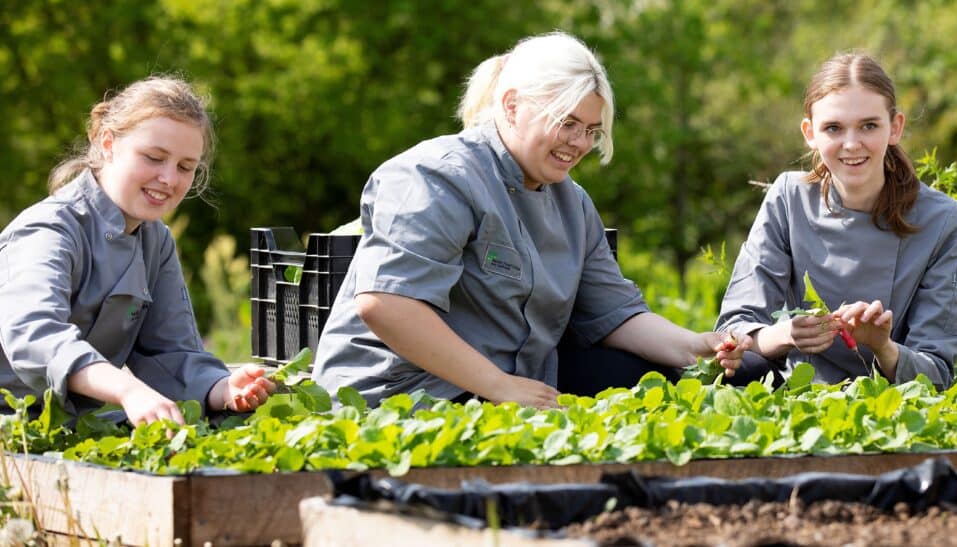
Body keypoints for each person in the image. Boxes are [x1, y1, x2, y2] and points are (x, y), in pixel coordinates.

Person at [314, 31, 749, 408]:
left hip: (504, 386)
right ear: (511, 106)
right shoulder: (436, 175)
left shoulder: (573, 205)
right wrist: (500, 387)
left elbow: (615, 314)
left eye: (592, 130)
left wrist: (694, 346)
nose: (580, 143)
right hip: (401, 393)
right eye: (567, 123)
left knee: (644, 374)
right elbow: (387, 304)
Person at [0, 77, 275, 425]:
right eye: (154, 157)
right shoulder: (49, 229)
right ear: (108, 143)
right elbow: (36, 334)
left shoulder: (155, 242)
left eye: (185, 167)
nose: (169, 179)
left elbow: (170, 351)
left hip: (63, 429)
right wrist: (127, 390)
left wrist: (222, 388)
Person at [715, 52, 957, 390]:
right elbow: (734, 327)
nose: (852, 144)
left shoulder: (943, 221)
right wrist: (787, 333)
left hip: (895, 411)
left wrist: (883, 346)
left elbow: (936, 374)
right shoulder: (789, 197)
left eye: (869, 125)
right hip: (797, 399)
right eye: (833, 128)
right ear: (810, 133)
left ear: (895, 127)